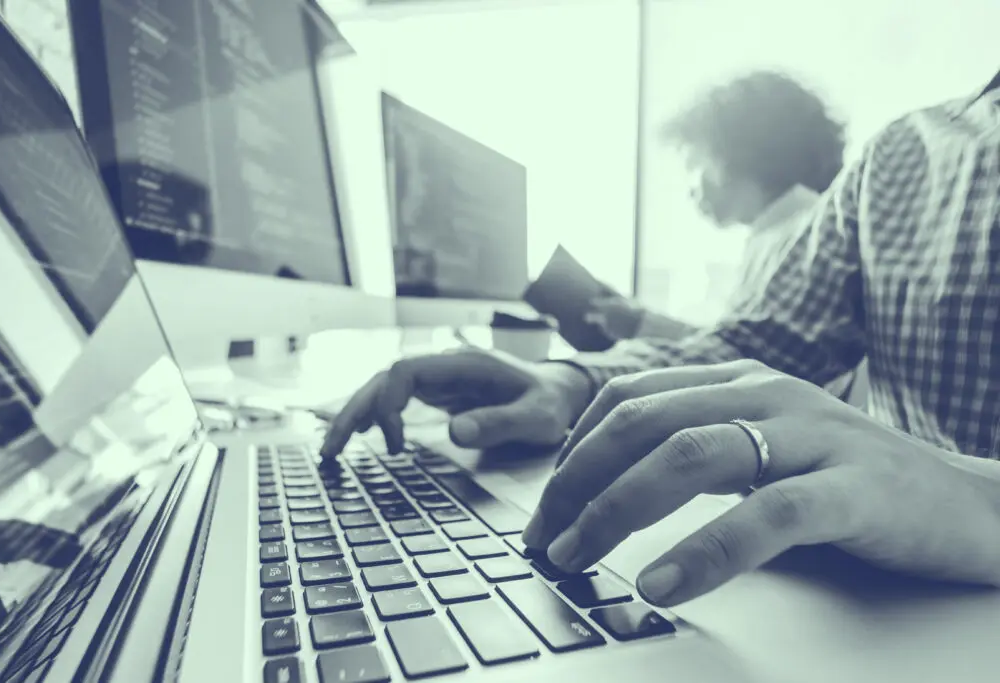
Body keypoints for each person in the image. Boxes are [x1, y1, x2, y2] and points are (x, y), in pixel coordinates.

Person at [320, 70, 1000, 608]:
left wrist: (979, 493)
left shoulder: (793, 219)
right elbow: (758, 341)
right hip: (888, 606)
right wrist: (571, 382)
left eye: (698, 165)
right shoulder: (903, 156)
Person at [586, 70, 846, 342]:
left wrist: (641, 326)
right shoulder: (783, 232)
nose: (690, 189)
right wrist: (640, 323)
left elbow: (752, 362)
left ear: (738, 154)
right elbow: (747, 349)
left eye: (694, 165)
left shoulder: (800, 239)